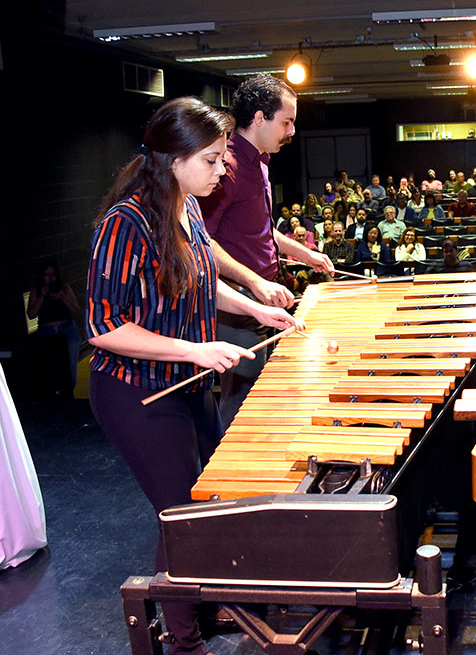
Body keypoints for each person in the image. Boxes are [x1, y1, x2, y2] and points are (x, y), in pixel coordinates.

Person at [86, 97, 300, 655]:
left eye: (223, 157)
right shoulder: (126, 222)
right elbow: (103, 327)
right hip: (136, 393)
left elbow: (203, 276)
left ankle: (213, 604)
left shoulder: (186, 208)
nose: (222, 169)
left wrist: (255, 308)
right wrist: (195, 349)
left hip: (183, 384)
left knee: (213, 499)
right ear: (173, 159)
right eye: (210, 159)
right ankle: (182, 639)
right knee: (180, 514)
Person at [198, 74, 331, 429]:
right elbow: (202, 242)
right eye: (286, 122)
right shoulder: (227, 168)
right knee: (241, 399)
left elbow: (260, 229)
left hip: (262, 293)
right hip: (236, 301)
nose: (291, 131)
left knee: (264, 395)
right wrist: (255, 282)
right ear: (260, 118)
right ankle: (230, 479)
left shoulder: (259, 162)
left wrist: (304, 253)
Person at [27, 261, 82, 394]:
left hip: (67, 329)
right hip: (47, 332)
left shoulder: (64, 289)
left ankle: (69, 393)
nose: (51, 278)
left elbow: (77, 312)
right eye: (47, 275)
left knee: (69, 368)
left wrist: (63, 297)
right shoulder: (37, 290)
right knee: (50, 368)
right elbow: (31, 314)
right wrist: (42, 296)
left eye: (53, 275)